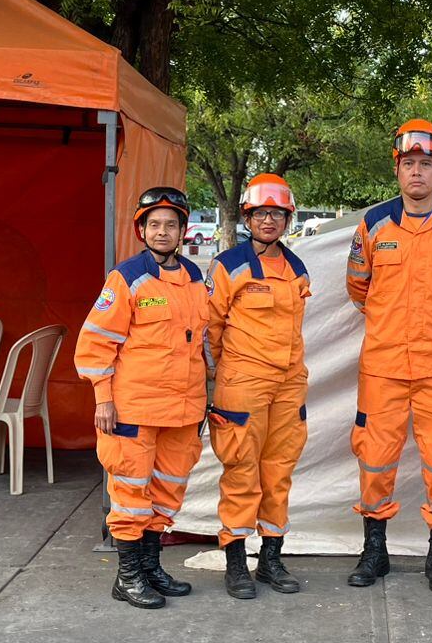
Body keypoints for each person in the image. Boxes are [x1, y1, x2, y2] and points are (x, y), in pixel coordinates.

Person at [345, 119, 432, 594]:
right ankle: (374, 552)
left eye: (426, 164)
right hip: (382, 367)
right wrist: (390, 326)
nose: (417, 173)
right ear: (397, 171)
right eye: (409, 164)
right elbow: (358, 289)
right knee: (375, 459)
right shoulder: (373, 225)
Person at [74, 186, 210, 609]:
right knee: (131, 493)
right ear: (142, 230)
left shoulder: (194, 278)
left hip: (183, 410)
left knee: (168, 492)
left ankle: (150, 567)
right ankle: (127, 576)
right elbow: (95, 342)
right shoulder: (126, 278)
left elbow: (202, 343)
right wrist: (102, 399)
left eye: (171, 224)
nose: (163, 231)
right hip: (134, 408)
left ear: (184, 230)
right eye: (155, 225)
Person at [206, 173, 311, 600]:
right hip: (243, 383)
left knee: (278, 473)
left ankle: (271, 557)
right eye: (261, 213)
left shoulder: (295, 268)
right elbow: (209, 331)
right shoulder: (229, 266)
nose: (269, 220)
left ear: (287, 218)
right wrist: (215, 380)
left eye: (277, 213)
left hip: (288, 385)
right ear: (248, 216)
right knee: (241, 472)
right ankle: (235, 562)